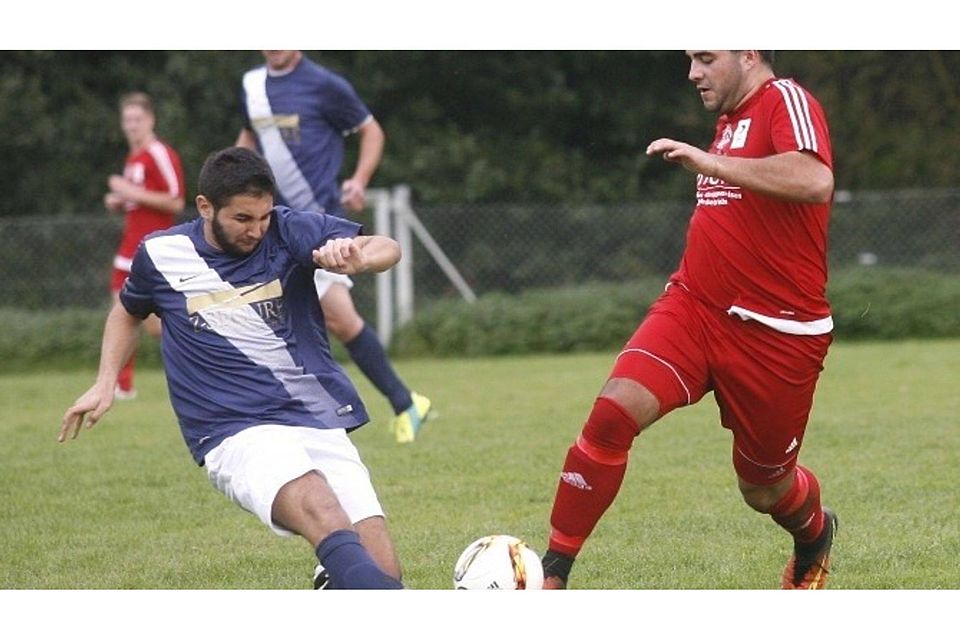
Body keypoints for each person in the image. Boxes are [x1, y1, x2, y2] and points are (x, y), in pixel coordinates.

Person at [540, 50, 839, 590]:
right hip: (694, 308)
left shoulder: (784, 100)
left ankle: (815, 532)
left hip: (778, 335)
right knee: (612, 413)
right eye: (689, 58)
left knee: (764, 490)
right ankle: (551, 576)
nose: (692, 73)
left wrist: (711, 162)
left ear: (749, 52)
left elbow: (814, 178)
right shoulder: (727, 123)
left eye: (705, 57)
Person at [60, 146, 405, 589]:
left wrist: (357, 255)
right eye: (243, 219)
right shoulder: (163, 254)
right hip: (233, 428)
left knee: (380, 568)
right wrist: (105, 382)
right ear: (206, 206)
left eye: (262, 216)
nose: (257, 230)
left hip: (314, 416)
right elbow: (127, 311)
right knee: (323, 509)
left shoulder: (287, 229)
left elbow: (386, 247)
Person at [236, 50, 432, 444]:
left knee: (336, 318)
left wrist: (359, 179)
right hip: (269, 221)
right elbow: (247, 139)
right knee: (292, 317)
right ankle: (395, 402)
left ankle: (403, 402)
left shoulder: (325, 84)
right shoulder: (252, 86)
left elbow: (371, 130)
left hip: (315, 222)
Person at [103, 91, 186, 400]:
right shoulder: (133, 157)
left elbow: (175, 200)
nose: (132, 125)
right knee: (120, 314)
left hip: (153, 251)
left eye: (138, 119)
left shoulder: (159, 153)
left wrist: (129, 191)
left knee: (154, 326)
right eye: (127, 120)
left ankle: (213, 359)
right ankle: (122, 385)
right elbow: (140, 199)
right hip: (128, 249)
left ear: (151, 120)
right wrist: (121, 200)